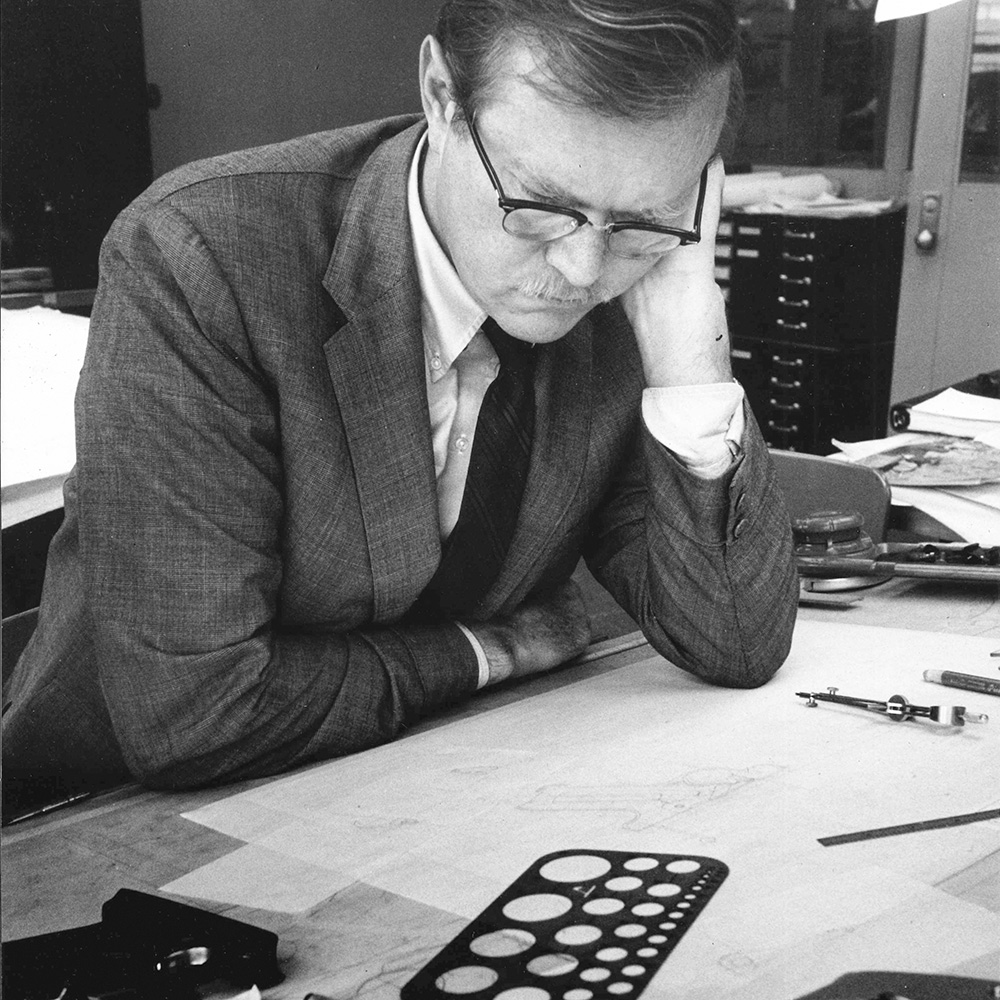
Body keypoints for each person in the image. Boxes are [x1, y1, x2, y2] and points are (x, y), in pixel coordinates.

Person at [2, 0, 798, 809]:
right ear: (442, 97)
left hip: (437, 786)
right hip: (114, 820)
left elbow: (733, 640)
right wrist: (484, 653)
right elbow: (196, 713)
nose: (586, 269)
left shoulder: (640, 283)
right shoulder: (199, 259)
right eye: (540, 205)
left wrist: (692, 355)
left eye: (644, 219)